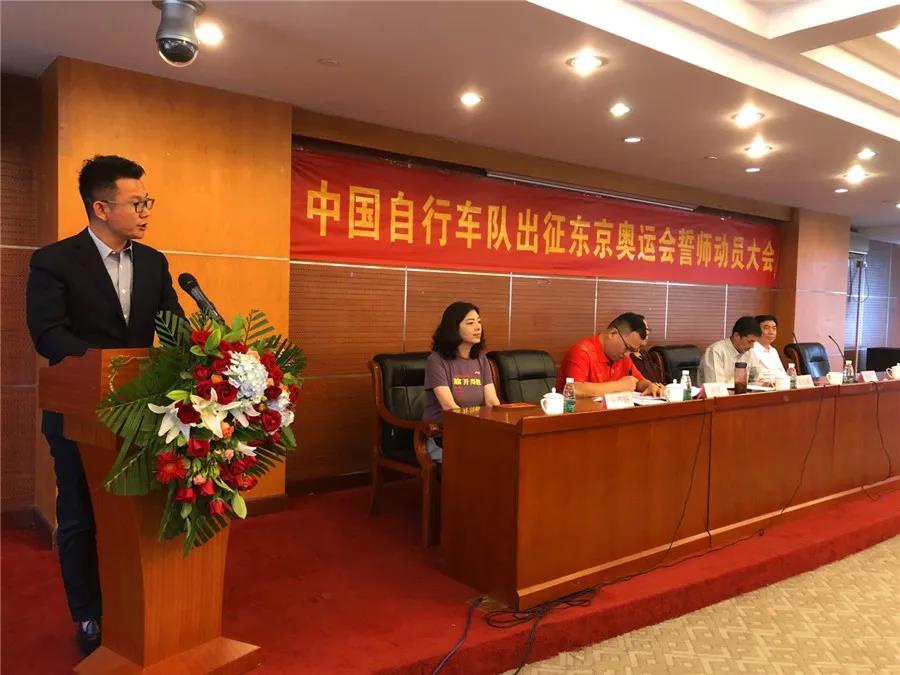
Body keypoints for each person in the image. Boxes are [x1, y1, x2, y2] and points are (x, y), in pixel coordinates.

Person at [26, 155, 183, 656]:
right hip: (78, 414)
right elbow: (47, 333)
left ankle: (136, 603)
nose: (146, 211)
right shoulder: (54, 261)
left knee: (133, 517)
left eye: (147, 201)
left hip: (142, 417)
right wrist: (107, 370)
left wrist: (199, 353)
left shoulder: (154, 262)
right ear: (100, 207)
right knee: (80, 516)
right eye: (137, 203)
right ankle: (90, 615)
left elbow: (172, 328)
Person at [422, 301, 501, 462]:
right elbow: (449, 407)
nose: (478, 327)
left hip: (474, 430)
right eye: (470, 323)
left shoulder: (481, 359)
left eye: (479, 322)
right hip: (443, 434)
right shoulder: (436, 360)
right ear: (454, 328)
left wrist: (503, 426)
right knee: (486, 458)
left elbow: (492, 401)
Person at [557, 312, 666, 398]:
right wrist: (619, 386)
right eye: (627, 348)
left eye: (632, 350)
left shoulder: (623, 356)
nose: (627, 354)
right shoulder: (582, 351)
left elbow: (638, 381)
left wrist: (649, 386)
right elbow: (574, 389)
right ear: (612, 333)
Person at [698, 316, 764, 384]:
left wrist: (763, 382)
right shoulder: (715, 351)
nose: (752, 346)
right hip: (721, 390)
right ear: (736, 336)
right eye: (750, 341)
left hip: (741, 391)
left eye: (754, 342)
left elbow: (758, 378)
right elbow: (717, 385)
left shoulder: (749, 353)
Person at [628, 317, 664, 383]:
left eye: (647, 329)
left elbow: (655, 381)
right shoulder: (625, 357)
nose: (647, 333)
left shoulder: (644, 354)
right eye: (643, 329)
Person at [752, 314, 787, 380]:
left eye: (774, 328)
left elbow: (782, 373)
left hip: (781, 383)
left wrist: (790, 374)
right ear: (756, 330)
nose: (771, 332)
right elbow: (755, 378)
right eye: (766, 328)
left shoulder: (773, 350)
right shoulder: (752, 350)